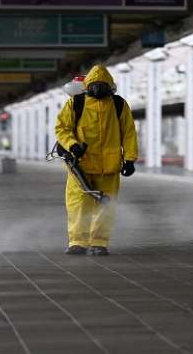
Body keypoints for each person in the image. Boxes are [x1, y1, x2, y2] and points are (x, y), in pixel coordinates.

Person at [55, 65, 138, 255]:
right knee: (78, 203)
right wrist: (72, 144)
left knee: (106, 204)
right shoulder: (76, 103)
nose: (98, 89)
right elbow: (62, 129)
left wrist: (130, 159)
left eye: (102, 85)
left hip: (109, 166)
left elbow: (129, 132)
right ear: (87, 85)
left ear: (110, 86)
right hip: (80, 164)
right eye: (94, 84)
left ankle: (99, 242)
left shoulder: (118, 105)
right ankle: (78, 241)